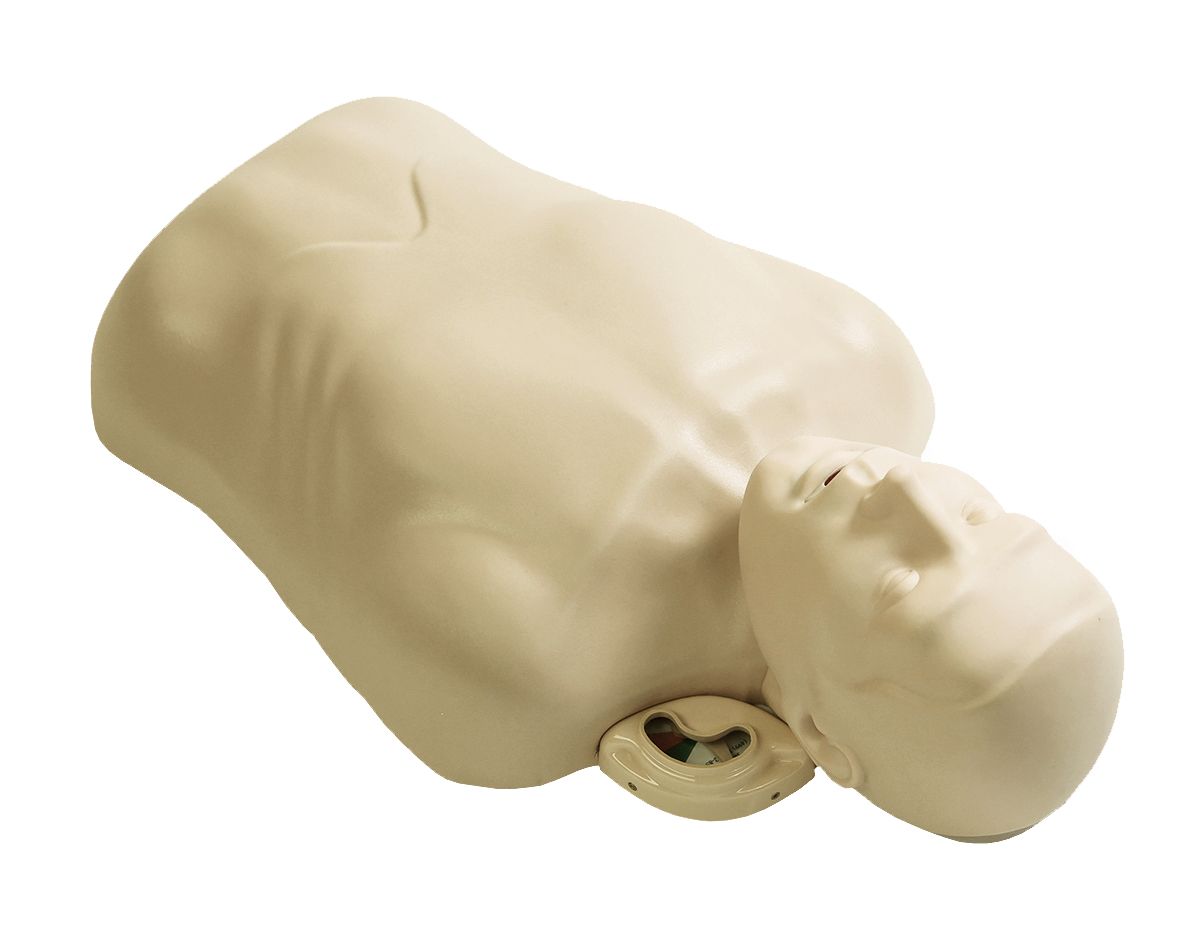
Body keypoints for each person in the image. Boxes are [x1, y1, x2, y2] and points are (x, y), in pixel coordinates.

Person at [92, 98, 1121, 838]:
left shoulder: (528, 666)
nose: (913, 498)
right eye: (984, 521)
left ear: (815, 728)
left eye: (900, 585)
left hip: (158, 300)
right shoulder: (866, 357)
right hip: (379, 123)